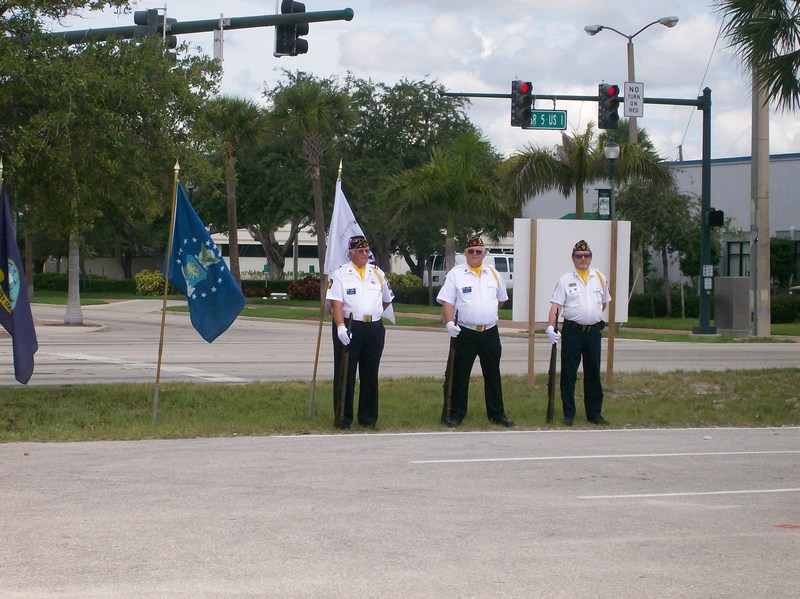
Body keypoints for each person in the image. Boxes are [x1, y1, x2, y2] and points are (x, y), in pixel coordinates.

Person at [436, 236, 514, 428]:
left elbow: (501, 299)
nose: (474, 254)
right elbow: (447, 302)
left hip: (489, 332)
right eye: (471, 251)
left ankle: (497, 414)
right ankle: (456, 414)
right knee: (460, 375)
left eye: (478, 251)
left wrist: (485, 313)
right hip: (465, 331)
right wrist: (449, 323)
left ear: (484, 254)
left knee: (493, 374)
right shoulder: (456, 274)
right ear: (465, 253)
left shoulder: (493, 274)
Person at [326, 235, 394, 430]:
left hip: (373, 328)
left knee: (370, 373)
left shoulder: (377, 273)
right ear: (351, 253)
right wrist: (340, 327)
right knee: (345, 374)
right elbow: (336, 304)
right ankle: (343, 418)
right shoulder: (340, 274)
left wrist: (373, 313)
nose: (365, 254)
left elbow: (387, 299)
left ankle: (368, 418)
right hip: (349, 325)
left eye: (366, 251)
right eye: (360, 251)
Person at [546, 239, 612, 426]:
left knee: (593, 373)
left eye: (586, 255)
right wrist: (550, 326)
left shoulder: (599, 277)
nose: (583, 259)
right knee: (569, 374)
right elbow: (556, 306)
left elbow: (603, 303)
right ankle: (569, 413)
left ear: (591, 257)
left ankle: (594, 413)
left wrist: (591, 315)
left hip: (593, 333)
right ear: (573, 258)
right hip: (573, 331)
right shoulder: (565, 280)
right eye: (579, 256)